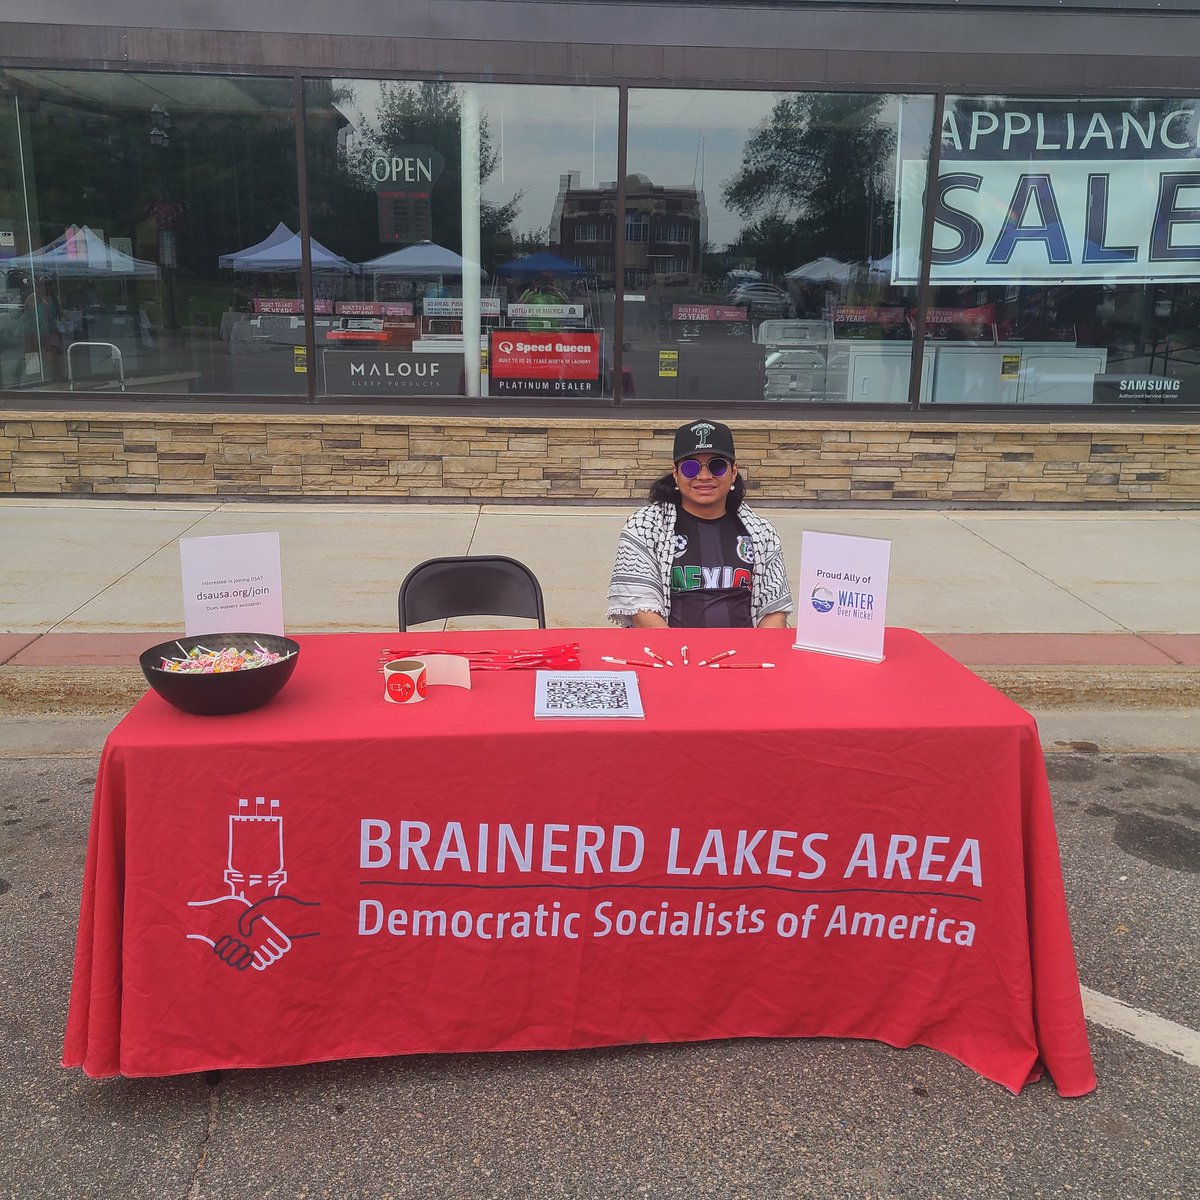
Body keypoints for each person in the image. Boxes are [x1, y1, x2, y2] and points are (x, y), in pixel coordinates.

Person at [607, 419, 792, 629]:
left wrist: (756, 656)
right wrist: (680, 657)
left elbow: (773, 612)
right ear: (676, 474)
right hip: (672, 656)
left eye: (717, 466)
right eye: (690, 467)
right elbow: (642, 610)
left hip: (745, 658)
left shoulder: (761, 532)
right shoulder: (644, 528)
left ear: (733, 472)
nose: (704, 476)